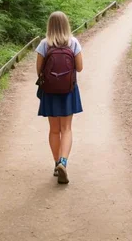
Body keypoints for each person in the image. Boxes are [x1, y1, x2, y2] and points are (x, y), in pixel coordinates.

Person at [36, 11, 83, 184]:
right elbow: (79, 68)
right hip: (68, 91)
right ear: (66, 25)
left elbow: (39, 70)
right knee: (67, 129)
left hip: (49, 92)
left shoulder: (44, 44)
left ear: (50, 25)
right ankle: (64, 162)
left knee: (54, 130)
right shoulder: (73, 43)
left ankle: (56, 163)